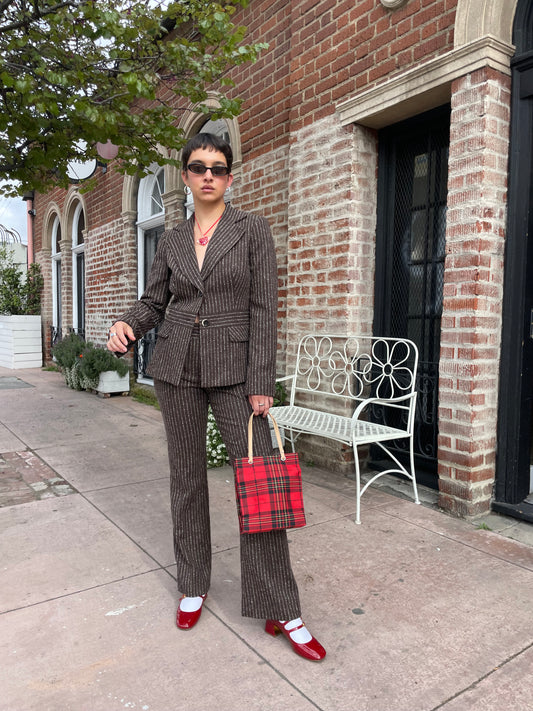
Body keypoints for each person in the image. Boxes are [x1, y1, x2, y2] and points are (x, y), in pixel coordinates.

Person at [107, 132, 326, 661]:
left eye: (219, 167)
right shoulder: (173, 242)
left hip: (236, 373)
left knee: (260, 485)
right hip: (177, 369)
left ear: (229, 177)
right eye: (199, 166)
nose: (209, 174)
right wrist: (126, 323)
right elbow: (154, 301)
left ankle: (282, 607)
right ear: (185, 175)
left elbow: (263, 309)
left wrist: (260, 382)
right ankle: (193, 584)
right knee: (186, 481)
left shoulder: (253, 231)